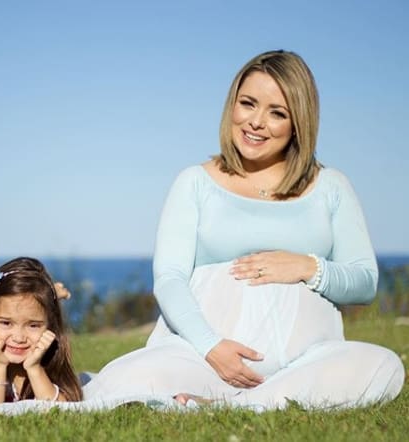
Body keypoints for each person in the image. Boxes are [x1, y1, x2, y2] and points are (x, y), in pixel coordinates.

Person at [83, 50, 404, 410]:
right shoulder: (194, 182)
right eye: (248, 104)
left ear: (299, 122)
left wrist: (307, 267)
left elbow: (364, 281)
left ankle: (234, 405)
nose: (256, 122)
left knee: (385, 367)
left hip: (306, 362)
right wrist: (211, 347)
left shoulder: (330, 186)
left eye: (277, 113)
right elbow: (170, 277)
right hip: (201, 358)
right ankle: (238, 399)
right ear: (231, 105)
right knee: (123, 382)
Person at [0, 256, 82, 403]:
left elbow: (62, 410)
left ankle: (51, 295)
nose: (19, 338)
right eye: (6, 323)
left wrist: (34, 367)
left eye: (33, 325)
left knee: (34, 304)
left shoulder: (52, 354)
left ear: (49, 325)